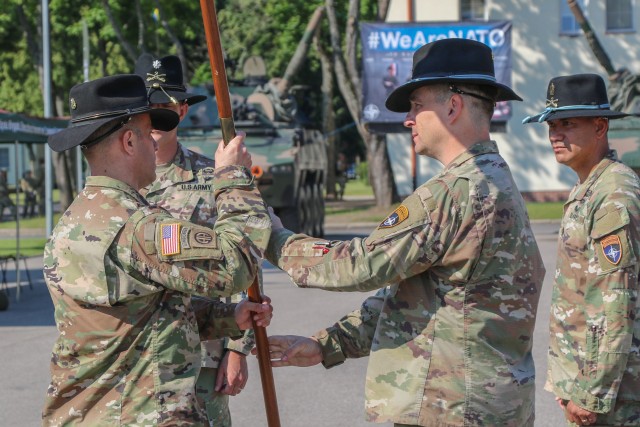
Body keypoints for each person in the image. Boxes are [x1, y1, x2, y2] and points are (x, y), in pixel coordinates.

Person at [260, 39, 545, 426]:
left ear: (453, 106)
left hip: (451, 409)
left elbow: (361, 265)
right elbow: (420, 298)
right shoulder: (493, 179)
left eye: (416, 105)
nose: (408, 119)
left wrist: (271, 238)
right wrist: (329, 344)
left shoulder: (455, 192)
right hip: (483, 405)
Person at [42, 74, 273, 425]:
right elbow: (236, 265)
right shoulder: (138, 227)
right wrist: (233, 177)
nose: (156, 145)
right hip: (141, 414)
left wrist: (228, 317)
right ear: (130, 142)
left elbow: (140, 313)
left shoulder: (76, 219)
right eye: (149, 133)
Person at [135, 53, 254, 426]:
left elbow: (245, 260)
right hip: (136, 351)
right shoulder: (119, 182)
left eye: (164, 105)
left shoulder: (214, 176)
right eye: (147, 106)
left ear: (182, 110)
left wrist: (238, 349)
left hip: (203, 351)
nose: (155, 116)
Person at [523, 73, 640, 426]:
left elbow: (615, 302)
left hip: (612, 396)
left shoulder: (613, 192)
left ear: (600, 127)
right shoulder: (589, 186)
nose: (554, 135)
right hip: (584, 379)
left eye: (568, 124)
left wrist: (593, 393)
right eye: (551, 124)